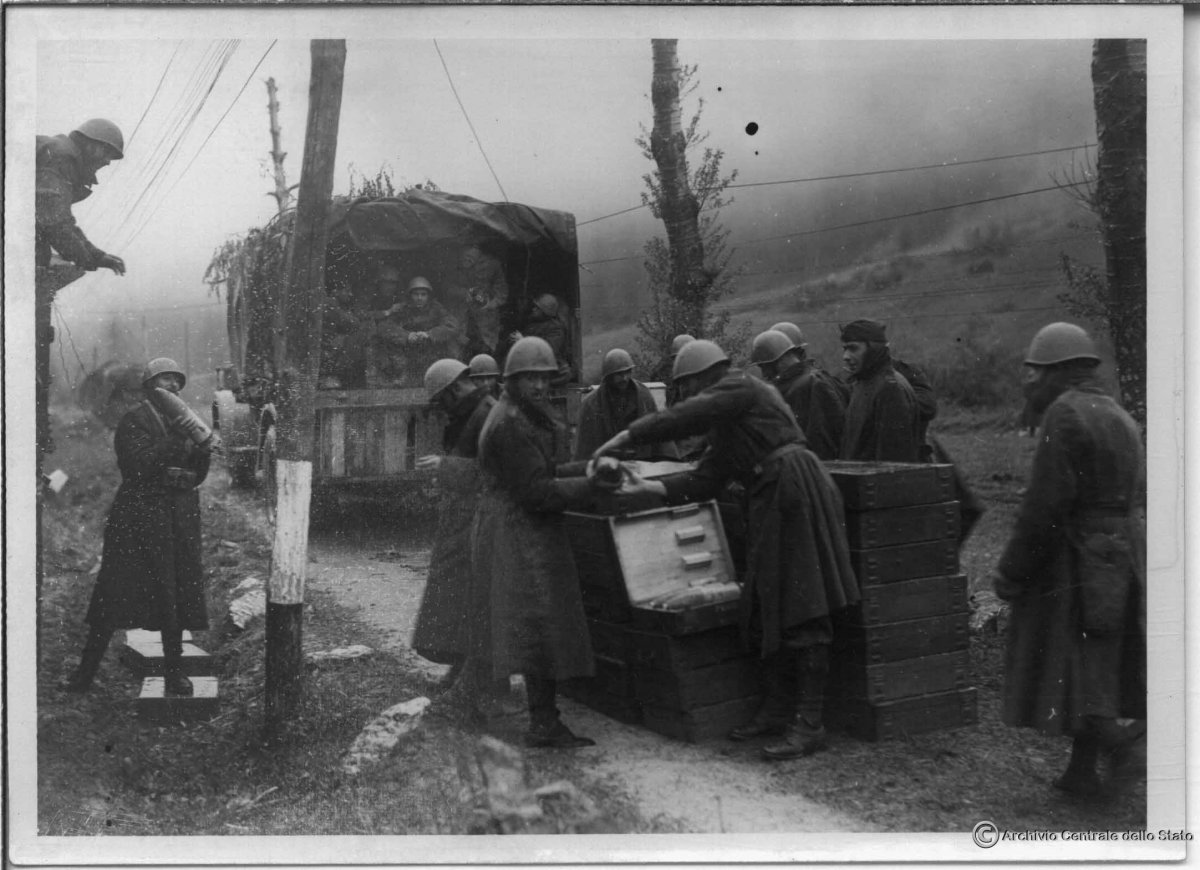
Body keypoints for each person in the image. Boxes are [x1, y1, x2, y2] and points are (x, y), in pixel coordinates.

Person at [593, 340, 859, 760]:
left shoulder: (741, 387)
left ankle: (809, 723)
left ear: (706, 376)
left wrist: (628, 435)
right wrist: (647, 489)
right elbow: (706, 480)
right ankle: (777, 709)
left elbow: (688, 415)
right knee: (767, 603)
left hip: (794, 489)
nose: (685, 394)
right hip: (772, 495)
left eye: (687, 385)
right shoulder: (728, 423)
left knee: (804, 606)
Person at [990, 323, 1145, 798]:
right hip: (1120, 554)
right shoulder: (1117, 413)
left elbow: (1044, 506)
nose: (1029, 383)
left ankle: (1124, 747)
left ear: (1058, 371)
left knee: (1070, 662)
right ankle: (1081, 771)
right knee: (1096, 663)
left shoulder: (1065, 413)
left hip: (1074, 557)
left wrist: (1012, 572)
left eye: (1035, 373)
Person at [470, 336, 606, 749]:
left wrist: (588, 468)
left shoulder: (516, 414)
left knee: (535, 626)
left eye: (545, 378)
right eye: (531, 378)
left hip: (520, 528)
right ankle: (543, 723)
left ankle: (541, 718)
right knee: (537, 625)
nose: (541, 386)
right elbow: (537, 492)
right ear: (512, 380)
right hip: (518, 533)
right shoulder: (510, 424)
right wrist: (593, 486)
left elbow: (543, 472)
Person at [61, 358, 213, 697]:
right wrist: (177, 438)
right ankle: (84, 676)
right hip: (137, 519)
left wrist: (202, 452)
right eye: (165, 379)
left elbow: (197, 475)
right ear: (150, 387)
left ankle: (173, 675)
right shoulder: (134, 421)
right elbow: (139, 467)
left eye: (177, 380)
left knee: (174, 596)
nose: (174, 386)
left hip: (176, 518)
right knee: (114, 595)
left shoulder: (187, 421)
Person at [411, 359, 497, 691]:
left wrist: (445, 467)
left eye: (441, 400)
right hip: (461, 518)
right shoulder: (470, 412)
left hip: (480, 521)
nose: (441, 408)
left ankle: (472, 677)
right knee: (456, 599)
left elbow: (495, 471)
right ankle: (460, 669)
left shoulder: (488, 413)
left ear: (455, 388)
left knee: (473, 600)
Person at [36, 118, 127, 275]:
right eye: (106, 153)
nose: (107, 162)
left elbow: (61, 220)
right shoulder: (61, 157)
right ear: (91, 145)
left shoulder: (60, 154)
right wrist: (87, 258)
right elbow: (55, 225)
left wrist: (97, 256)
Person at [750, 329, 845, 461]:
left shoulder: (811, 383)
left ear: (781, 360)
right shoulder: (797, 383)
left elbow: (821, 437)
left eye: (765, 366)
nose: (764, 374)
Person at [838, 319, 922, 462]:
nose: (845, 356)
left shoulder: (890, 388)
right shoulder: (862, 383)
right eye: (845, 349)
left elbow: (894, 461)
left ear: (874, 349)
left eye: (853, 348)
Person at [572, 348, 677, 461]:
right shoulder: (591, 404)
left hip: (639, 459)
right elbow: (584, 448)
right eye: (619, 374)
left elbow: (656, 432)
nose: (625, 378)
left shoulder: (643, 395)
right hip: (606, 461)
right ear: (609, 377)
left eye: (627, 372)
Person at [375, 276, 460, 387]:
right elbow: (384, 327)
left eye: (423, 294)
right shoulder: (402, 309)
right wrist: (407, 336)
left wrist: (430, 334)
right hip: (408, 352)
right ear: (410, 295)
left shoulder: (436, 308)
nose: (419, 298)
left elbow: (452, 326)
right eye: (416, 294)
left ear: (428, 296)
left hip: (432, 351)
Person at [508, 293, 572, 386]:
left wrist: (522, 341)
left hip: (550, 372)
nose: (533, 309)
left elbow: (549, 351)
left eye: (537, 308)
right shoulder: (532, 324)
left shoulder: (556, 328)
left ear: (545, 311)